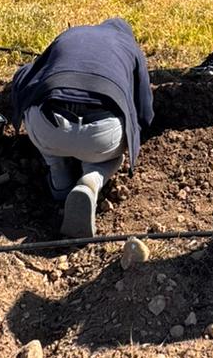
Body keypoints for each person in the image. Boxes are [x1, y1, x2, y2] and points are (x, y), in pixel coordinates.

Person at [10, 19, 154, 238]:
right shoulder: (130, 47)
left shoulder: (71, 35)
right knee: (111, 154)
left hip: (51, 127)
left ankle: (58, 176)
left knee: (42, 121)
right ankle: (92, 180)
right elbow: (144, 110)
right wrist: (134, 136)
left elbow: (29, 76)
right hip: (101, 135)